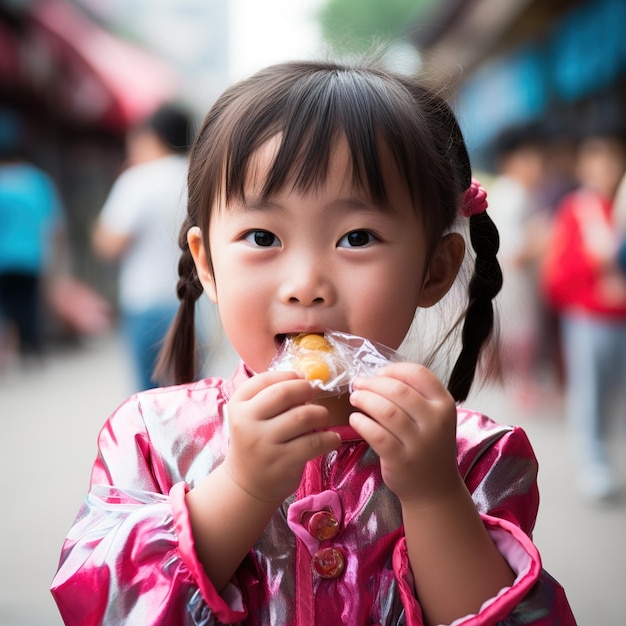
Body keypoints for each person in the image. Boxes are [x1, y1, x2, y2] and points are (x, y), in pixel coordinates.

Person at [51, 59, 576, 625]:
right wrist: (241, 488)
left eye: (357, 237)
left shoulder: (476, 458)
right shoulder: (152, 438)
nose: (306, 286)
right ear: (208, 264)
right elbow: (102, 604)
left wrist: (432, 492)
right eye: (262, 236)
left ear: (434, 270)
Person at [541, 129, 626, 502]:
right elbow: (556, 273)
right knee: (590, 393)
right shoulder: (577, 209)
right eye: (597, 158)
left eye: (612, 158)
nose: (605, 167)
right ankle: (596, 464)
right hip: (589, 319)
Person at [92, 103, 193, 391]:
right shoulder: (200, 176)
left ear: (151, 137)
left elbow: (109, 245)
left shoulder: (138, 179)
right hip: (196, 303)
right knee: (194, 396)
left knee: (149, 401)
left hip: (146, 302)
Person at [0, 147, 66, 366]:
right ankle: (31, 349)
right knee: (28, 304)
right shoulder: (37, 180)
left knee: (6, 306)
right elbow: (53, 223)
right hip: (31, 256)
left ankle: (8, 351)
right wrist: (55, 259)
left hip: (4, 258)